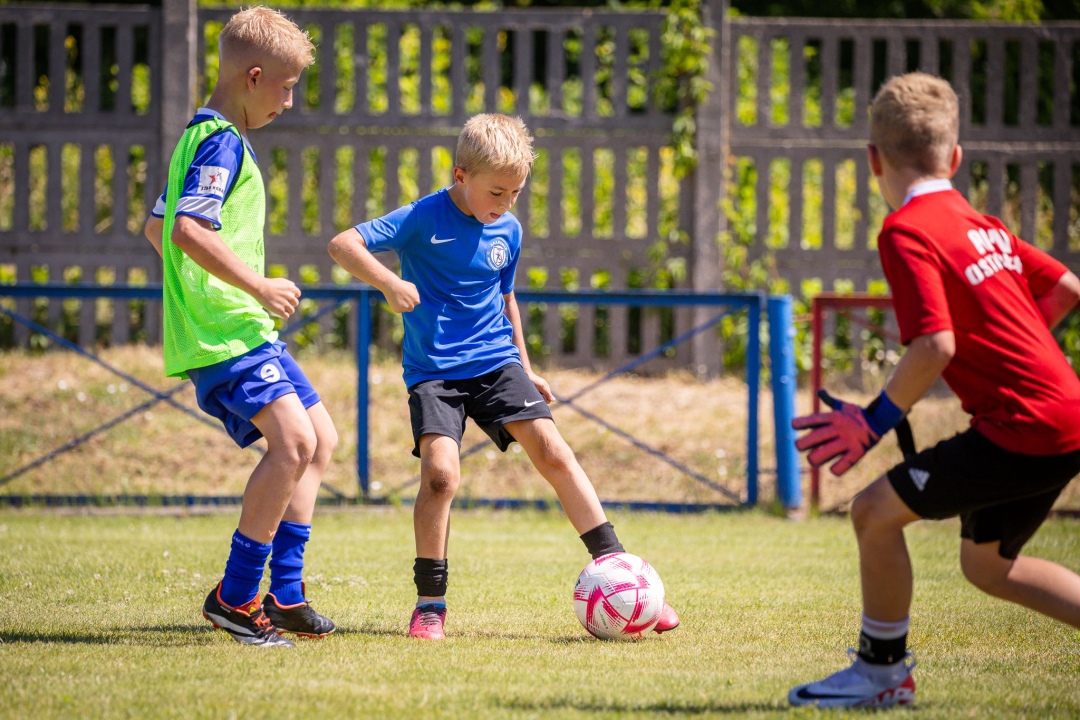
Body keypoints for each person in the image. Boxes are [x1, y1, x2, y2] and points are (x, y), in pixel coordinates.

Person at [328, 113, 680, 641]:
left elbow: (507, 298)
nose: (506, 203)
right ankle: (430, 606)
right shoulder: (422, 217)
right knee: (441, 477)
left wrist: (526, 365)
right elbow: (342, 244)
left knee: (555, 452)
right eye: (497, 191)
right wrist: (388, 283)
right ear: (460, 175)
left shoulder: (508, 229)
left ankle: (626, 577)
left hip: (496, 361)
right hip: (435, 373)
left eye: (516, 192)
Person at [789, 72, 1080, 708]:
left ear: (873, 161)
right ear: (955, 158)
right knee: (987, 566)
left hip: (1022, 425)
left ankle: (882, 674)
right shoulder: (984, 225)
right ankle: (882, 674)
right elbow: (1065, 289)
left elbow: (934, 345)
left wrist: (871, 423)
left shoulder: (907, 230)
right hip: (1066, 415)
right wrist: (1007, 352)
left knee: (872, 513)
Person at [143, 6, 338, 647]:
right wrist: (253, 285)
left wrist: (191, 282)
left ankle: (284, 595)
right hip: (228, 331)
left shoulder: (199, 138)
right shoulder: (223, 142)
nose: (288, 101)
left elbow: (157, 227)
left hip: (235, 327)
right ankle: (236, 596)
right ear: (253, 77)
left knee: (321, 439)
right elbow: (187, 230)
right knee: (292, 446)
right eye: (284, 88)